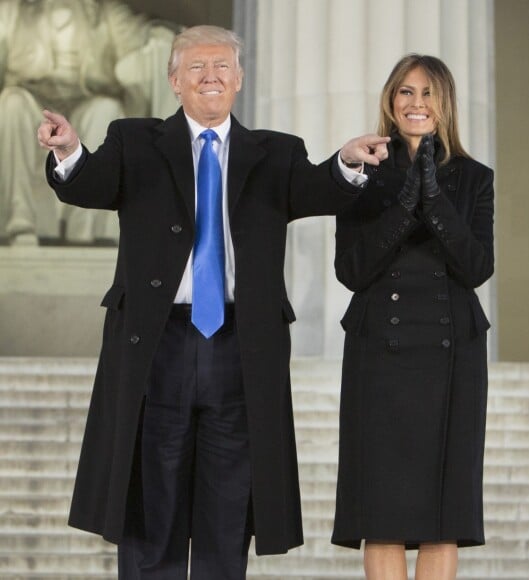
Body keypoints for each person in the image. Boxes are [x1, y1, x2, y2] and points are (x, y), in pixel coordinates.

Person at [37, 24, 388, 580]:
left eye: (222, 66)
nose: (210, 77)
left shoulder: (276, 152)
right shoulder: (135, 141)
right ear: (174, 80)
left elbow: (319, 187)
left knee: (228, 519)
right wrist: (69, 151)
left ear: (239, 80)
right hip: (158, 346)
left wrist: (346, 162)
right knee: (152, 514)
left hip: (239, 350)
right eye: (197, 67)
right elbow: (91, 181)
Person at [331, 54, 494, 580]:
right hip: (380, 351)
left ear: (443, 103)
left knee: (442, 516)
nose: (415, 103)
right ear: (390, 101)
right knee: (381, 512)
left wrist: (435, 200)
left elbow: (476, 267)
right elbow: (351, 270)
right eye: (405, 92)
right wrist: (404, 204)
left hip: (452, 358)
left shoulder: (475, 178)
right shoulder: (359, 172)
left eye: (427, 93)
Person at [0, 0, 176, 245]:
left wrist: (168, 36)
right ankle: (19, 221)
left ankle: (82, 230)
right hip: (31, 100)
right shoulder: (11, 13)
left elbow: (142, 37)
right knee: (11, 103)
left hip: (86, 98)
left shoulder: (106, 14)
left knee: (107, 109)